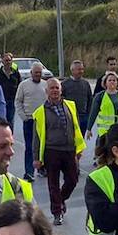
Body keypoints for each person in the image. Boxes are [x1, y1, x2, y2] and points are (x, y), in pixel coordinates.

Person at [34, 77, 84, 225]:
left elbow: (76, 128)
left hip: (69, 150)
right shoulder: (40, 112)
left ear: (61, 90)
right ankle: (57, 212)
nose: (54, 91)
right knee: (53, 183)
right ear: (46, 91)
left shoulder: (70, 106)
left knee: (73, 180)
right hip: (52, 151)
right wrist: (37, 158)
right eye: (52, 88)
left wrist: (78, 148)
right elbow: (36, 138)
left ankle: (60, 200)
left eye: (57, 88)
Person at [16, 62, 50, 181]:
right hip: (30, 120)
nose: (38, 74)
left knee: (44, 145)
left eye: (40, 73)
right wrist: (23, 116)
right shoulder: (23, 85)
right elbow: (18, 101)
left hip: (44, 121)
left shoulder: (46, 85)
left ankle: (42, 168)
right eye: (36, 72)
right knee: (30, 147)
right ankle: (29, 172)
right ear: (31, 73)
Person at [87, 72, 118, 147]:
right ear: (105, 83)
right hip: (104, 131)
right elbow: (93, 113)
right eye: (110, 80)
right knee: (102, 152)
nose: (112, 82)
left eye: (114, 80)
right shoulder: (100, 96)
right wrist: (89, 129)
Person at [62, 60, 95, 136]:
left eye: (82, 69)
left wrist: (88, 115)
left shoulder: (85, 84)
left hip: (83, 117)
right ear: (72, 70)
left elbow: (90, 100)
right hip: (70, 117)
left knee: (81, 140)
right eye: (79, 69)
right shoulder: (65, 84)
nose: (81, 71)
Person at [0, 51, 22, 129]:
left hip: (11, 100)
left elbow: (19, 85)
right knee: (1, 120)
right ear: (2, 62)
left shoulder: (15, 73)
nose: (8, 62)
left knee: (10, 120)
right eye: (6, 60)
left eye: (9, 60)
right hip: (0, 101)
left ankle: (9, 138)